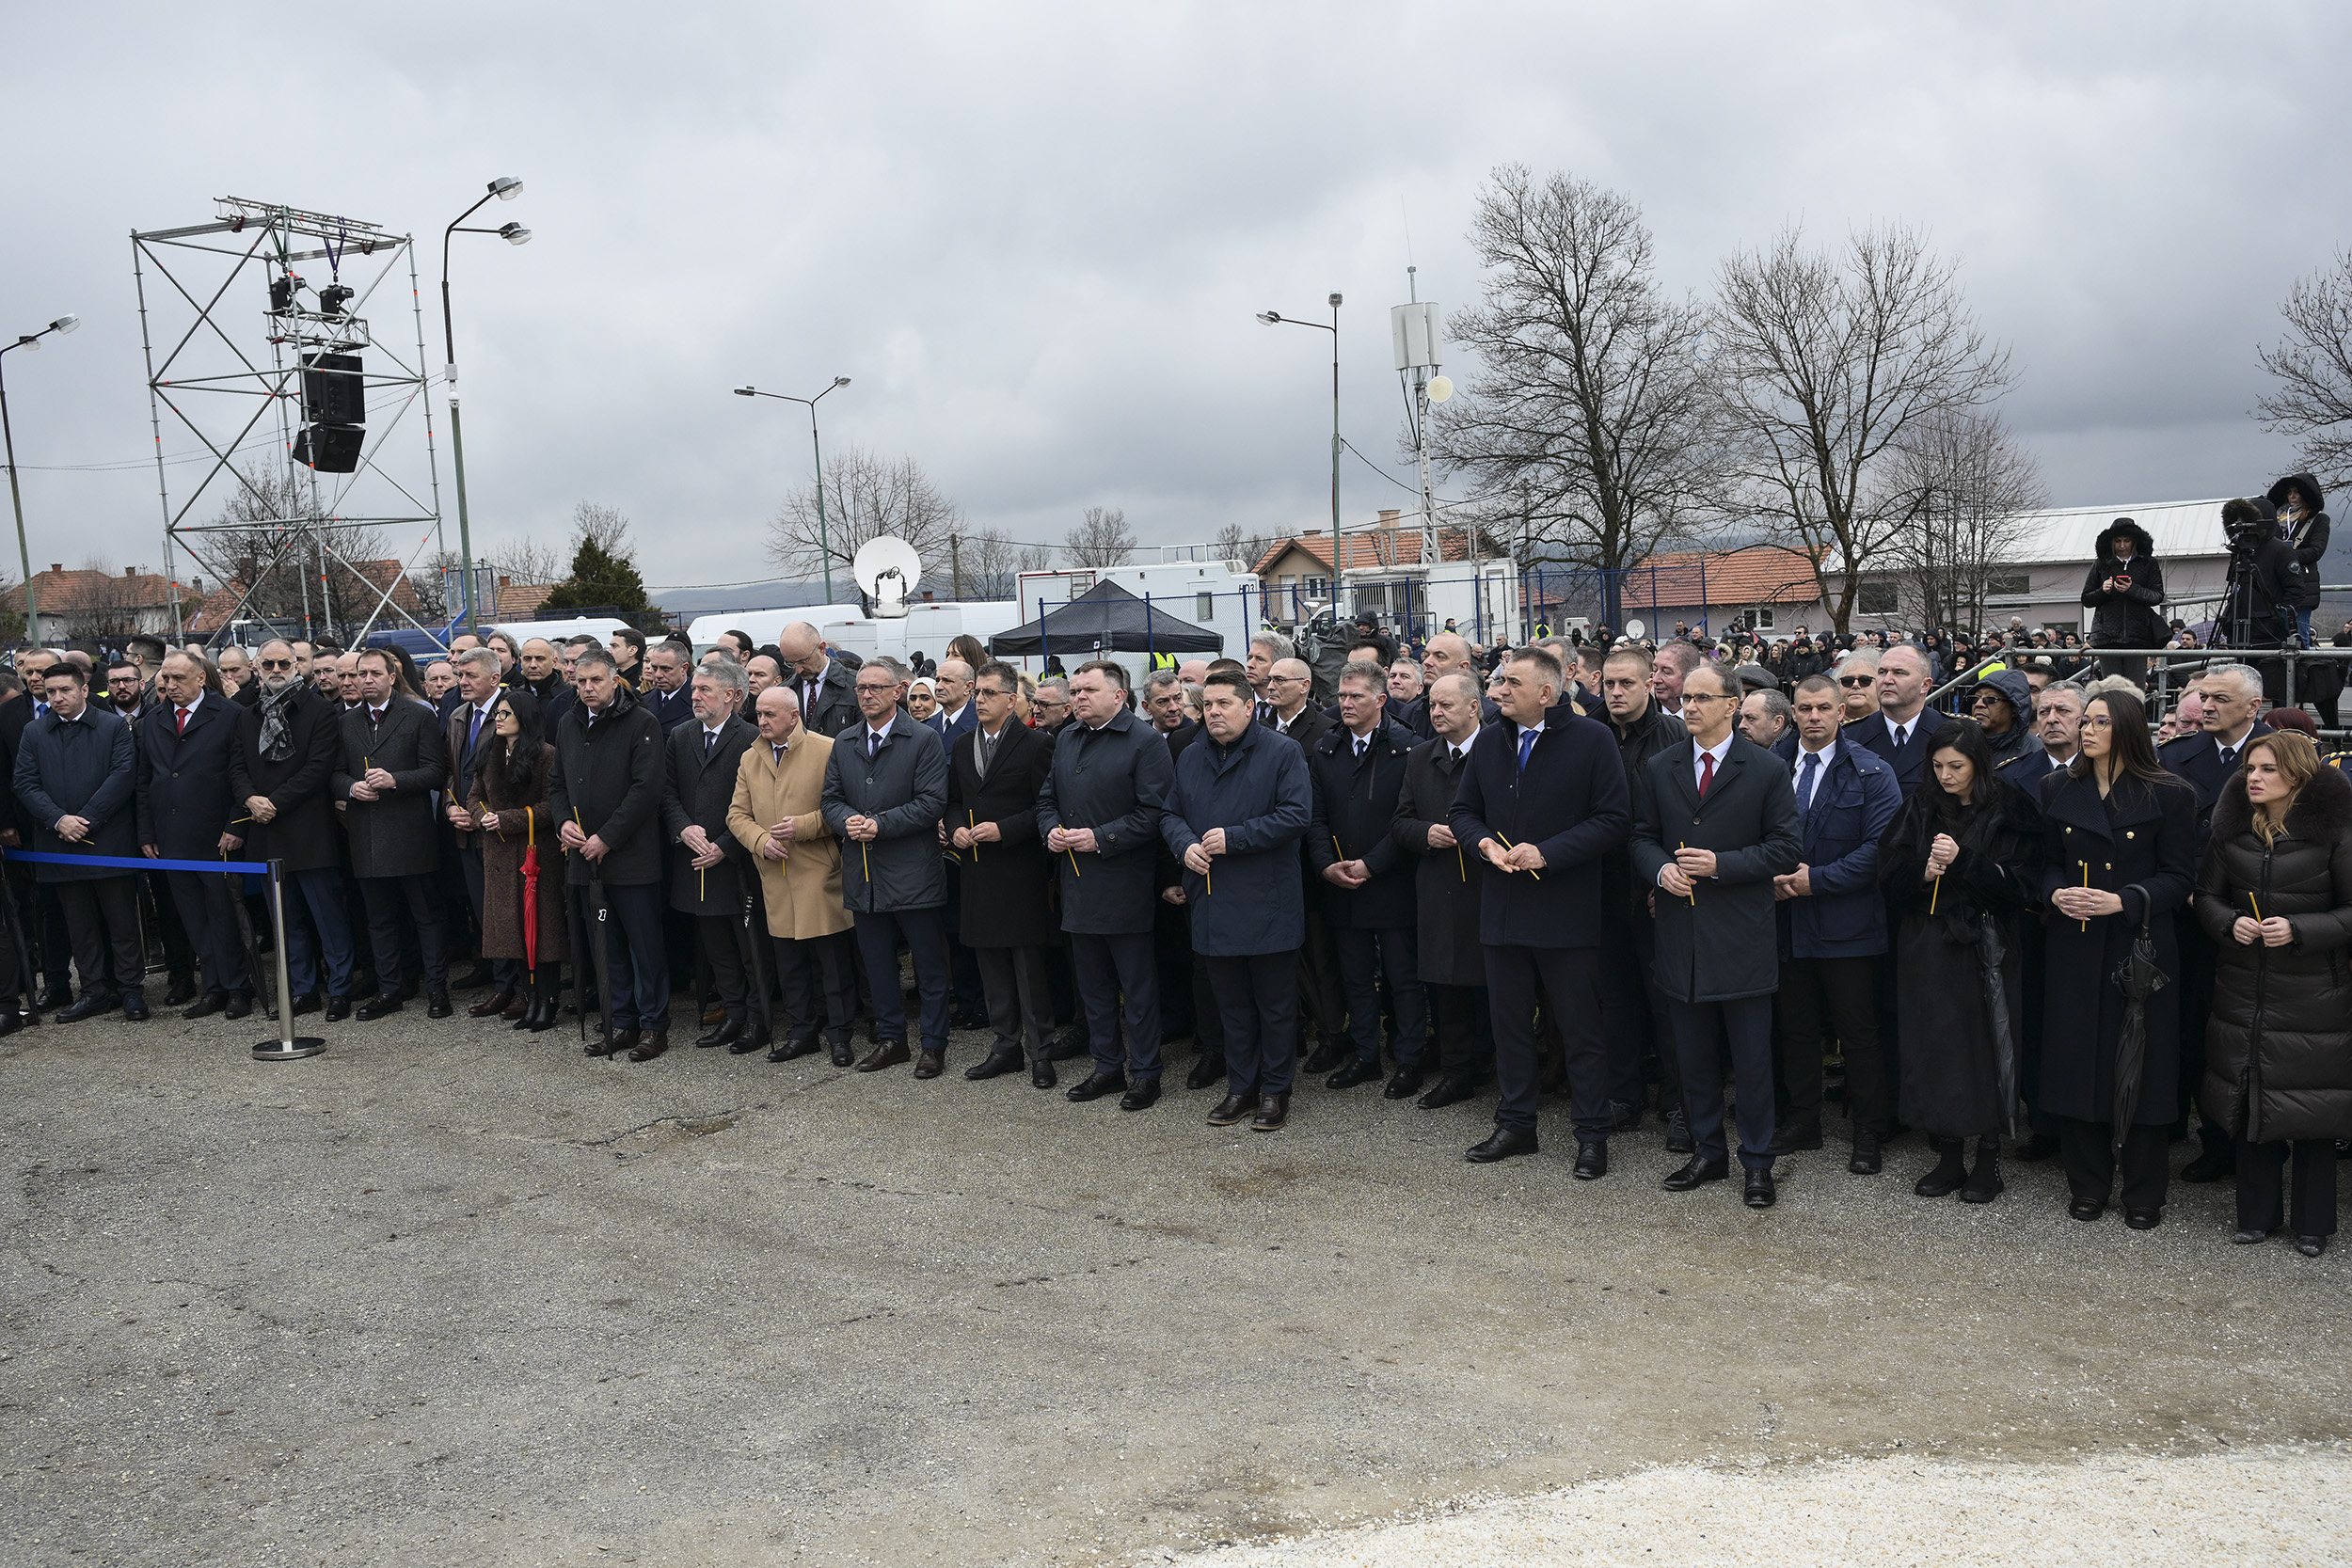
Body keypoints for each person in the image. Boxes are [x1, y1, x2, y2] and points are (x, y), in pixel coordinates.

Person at [1450, 646, 1630, 1170]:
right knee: (1510, 1026)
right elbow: (1463, 811)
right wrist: (1483, 844)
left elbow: (1614, 820)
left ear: (1546, 694)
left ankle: (1592, 1133)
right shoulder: (1490, 740)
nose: (1498, 690)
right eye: (1500, 681)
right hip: (1503, 908)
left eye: (1512, 683)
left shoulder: (1592, 739)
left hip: (1565, 910)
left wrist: (1548, 853)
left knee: (1580, 1028)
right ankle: (1516, 1124)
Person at [1633, 660, 1804, 1206]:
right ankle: (1708, 1152)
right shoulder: (1661, 766)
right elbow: (1641, 836)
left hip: (1740, 937)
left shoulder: (1766, 769)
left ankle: (1758, 1162)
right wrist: (1661, 870)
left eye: (1702, 698)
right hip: (1680, 935)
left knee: (1751, 1061)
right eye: (1686, 698)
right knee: (1693, 1056)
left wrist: (1721, 865)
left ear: (1732, 705)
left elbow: (1786, 848)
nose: (1689, 707)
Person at [2039, 688, 2198, 1228]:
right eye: (2085, 721)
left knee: (2144, 1065)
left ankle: (2144, 1191)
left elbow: (2180, 876)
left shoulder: (2170, 793)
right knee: (2076, 1060)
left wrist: (2125, 900)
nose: (2086, 730)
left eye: (2099, 722)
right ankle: (2087, 1184)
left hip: (2140, 946)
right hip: (2075, 944)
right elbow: (2045, 862)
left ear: (2126, 728)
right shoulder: (2058, 786)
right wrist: (2056, 893)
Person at [2195, 729, 2352, 1256]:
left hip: (2315, 993)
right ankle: (2256, 1216)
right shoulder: (2231, 830)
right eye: (2250, 769)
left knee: (2314, 1109)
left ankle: (2313, 1224)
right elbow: (2206, 896)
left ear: (2298, 774)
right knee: (2249, 1098)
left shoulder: (2336, 832)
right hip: (2243, 986)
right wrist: (2229, 922)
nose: (2254, 778)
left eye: (2267, 769)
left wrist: (2300, 929)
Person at [1877, 720, 2043, 1200]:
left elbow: (2023, 887)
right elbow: (1887, 874)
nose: (1946, 776)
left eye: (1956, 766)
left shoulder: (2012, 807)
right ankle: (1948, 1154)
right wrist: (1923, 873)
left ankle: (1989, 1157)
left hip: (1987, 945)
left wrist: (1965, 861)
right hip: (1928, 944)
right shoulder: (1921, 805)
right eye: (1938, 766)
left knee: (1988, 1044)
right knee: (1935, 1046)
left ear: (1979, 764)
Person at [1162, 668, 1311, 1130]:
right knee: (1231, 1005)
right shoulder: (1191, 755)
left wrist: (1236, 837)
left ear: (1249, 707)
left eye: (1224, 704)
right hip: (1211, 900)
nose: (1213, 713)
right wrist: (1184, 845)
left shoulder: (1282, 751)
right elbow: (1169, 814)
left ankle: (1275, 1090)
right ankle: (1241, 1087)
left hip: (1267, 900)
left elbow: (1296, 815)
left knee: (1274, 1005)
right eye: (1207, 705)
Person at [1771, 673, 1901, 1167]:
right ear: (1792, 714)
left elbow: (1880, 850)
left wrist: (1816, 881)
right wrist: (1767, 876)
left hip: (1848, 926)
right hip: (1786, 923)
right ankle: (1803, 1121)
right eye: (1805, 709)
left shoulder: (1872, 772)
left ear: (1841, 712)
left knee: (1858, 1032)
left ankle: (1869, 1129)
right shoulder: (1771, 765)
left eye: (1824, 708)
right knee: (1796, 1028)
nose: (1814, 717)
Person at [1039, 659, 1173, 1111]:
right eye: (1075, 690)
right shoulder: (1067, 738)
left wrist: (1100, 837)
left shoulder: (1144, 742)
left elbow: (1154, 813)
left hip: (1123, 884)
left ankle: (1146, 1073)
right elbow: (1047, 799)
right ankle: (1107, 1066)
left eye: (1088, 690)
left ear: (1118, 696)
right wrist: (1051, 830)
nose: (1078, 697)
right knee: (1093, 986)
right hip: (1076, 885)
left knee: (1136, 988)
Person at [2160, 663, 2273, 1184]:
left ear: (2253, 707)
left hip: (2252, 914)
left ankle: (2241, 1140)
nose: (2206, 706)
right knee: (2188, 1023)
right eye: (2203, 697)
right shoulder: (2176, 756)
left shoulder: (2281, 756)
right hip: (2187, 913)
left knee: (2240, 1035)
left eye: (2220, 699)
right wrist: (2184, 885)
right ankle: (2191, 1127)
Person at [822, 658, 955, 1076]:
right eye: (861, 688)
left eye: (875, 688)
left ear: (897, 691)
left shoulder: (923, 738)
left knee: (928, 966)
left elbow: (932, 802)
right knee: (877, 964)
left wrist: (880, 824)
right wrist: (846, 820)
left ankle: (933, 1044)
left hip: (913, 872)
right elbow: (829, 799)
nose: (866, 695)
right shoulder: (844, 741)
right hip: (864, 875)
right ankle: (892, 1039)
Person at [1305, 659, 1427, 1097]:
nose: (1346, 703)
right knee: (1355, 975)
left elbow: (1408, 817)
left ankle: (1410, 1060)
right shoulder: (1327, 747)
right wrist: (1326, 864)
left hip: (1391, 882)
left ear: (1380, 700)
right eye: (1341, 695)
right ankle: (1365, 1055)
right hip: (1342, 882)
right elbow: (1315, 816)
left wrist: (1372, 864)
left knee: (1402, 977)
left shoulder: (1409, 748)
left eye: (1356, 696)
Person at [550, 647, 671, 1061]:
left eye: (596, 680)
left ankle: (653, 1026)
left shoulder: (641, 722)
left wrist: (607, 837)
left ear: (615, 680)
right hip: (583, 858)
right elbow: (557, 783)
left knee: (644, 947)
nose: (587, 688)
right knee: (606, 945)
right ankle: (621, 1021)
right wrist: (563, 822)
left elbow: (646, 789)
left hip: (631, 858)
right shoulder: (568, 723)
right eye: (580, 681)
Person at [728, 686, 857, 1065]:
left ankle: (840, 1035)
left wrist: (803, 826)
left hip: (819, 873)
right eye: (759, 714)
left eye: (770, 714)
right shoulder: (750, 757)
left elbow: (844, 808)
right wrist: (760, 841)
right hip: (775, 875)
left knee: (832, 964)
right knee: (790, 964)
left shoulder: (826, 749)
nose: (762, 721)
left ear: (794, 716)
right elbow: (737, 815)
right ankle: (803, 1033)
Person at [947, 660, 1060, 1086]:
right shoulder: (963, 745)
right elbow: (953, 799)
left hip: (1019, 871)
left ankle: (1041, 1051)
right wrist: (955, 828)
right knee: (991, 965)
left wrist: (1005, 829)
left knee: (1028, 969)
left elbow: (1045, 806)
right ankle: (1005, 1046)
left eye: (989, 693)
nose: (980, 699)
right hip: (977, 870)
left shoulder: (1035, 745)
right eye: (977, 692)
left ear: (1012, 700)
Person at [232, 641, 357, 1018]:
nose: (276, 670)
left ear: (296, 666)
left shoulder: (320, 710)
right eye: (268, 663)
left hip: (309, 831)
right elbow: (236, 767)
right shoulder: (248, 715)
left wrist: (275, 802)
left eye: (284, 663)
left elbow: (318, 768)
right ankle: (303, 991)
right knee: (286, 923)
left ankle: (340, 989)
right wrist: (251, 799)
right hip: (265, 831)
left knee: (328, 919)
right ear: (257, 667)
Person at [16, 663, 147, 1021]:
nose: (57, 698)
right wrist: (59, 820)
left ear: (84, 690)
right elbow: (25, 782)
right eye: (51, 692)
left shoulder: (112, 726)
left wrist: (86, 819)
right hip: (60, 844)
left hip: (109, 843)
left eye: (65, 690)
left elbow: (123, 775)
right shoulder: (34, 732)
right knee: (80, 927)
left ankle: (131, 991)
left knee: (122, 923)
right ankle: (93, 991)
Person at [1596, 645, 1689, 1145]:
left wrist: (1664, 876)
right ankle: (1623, 1097)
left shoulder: (1675, 735)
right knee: (1616, 1001)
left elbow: (1688, 813)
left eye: (1626, 683)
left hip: (1659, 889)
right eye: (1608, 683)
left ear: (1649, 683)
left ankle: (1679, 1103)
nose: (1615, 692)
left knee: (1668, 1003)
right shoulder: (1589, 733)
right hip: (1604, 889)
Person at [1391, 671, 1494, 1109]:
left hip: (1489, 885)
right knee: (1446, 986)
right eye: (1432, 704)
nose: (1436, 712)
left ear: (1474, 707)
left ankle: (1501, 1068)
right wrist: (1425, 834)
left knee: (1496, 986)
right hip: (1438, 885)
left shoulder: (1499, 751)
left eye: (1446, 705)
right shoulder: (1421, 756)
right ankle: (1456, 1073)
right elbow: (1400, 822)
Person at [335, 649, 453, 1020]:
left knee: (426, 916)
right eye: (361, 674)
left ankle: (437, 988)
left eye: (374, 673)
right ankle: (390, 989)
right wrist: (352, 788)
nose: (366, 680)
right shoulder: (346, 722)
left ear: (391, 677)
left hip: (411, 834)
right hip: (367, 835)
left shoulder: (418, 715)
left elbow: (435, 771)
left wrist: (395, 780)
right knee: (379, 919)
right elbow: (334, 774)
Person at [135, 651, 252, 1020]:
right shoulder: (152, 721)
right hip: (171, 836)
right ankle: (214, 987)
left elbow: (243, 774)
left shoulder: (231, 715)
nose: (170, 686)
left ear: (201, 678)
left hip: (216, 835)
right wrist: (147, 831)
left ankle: (239, 987)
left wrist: (236, 824)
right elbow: (144, 782)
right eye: (166, 679)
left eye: (179, 679)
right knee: (194, 918)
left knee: (224, 915)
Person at [660, 657, 758, 1050]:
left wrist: (726, 845)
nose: (695, 696)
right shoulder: (681, 735)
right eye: (694, 689)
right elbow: (667, 792)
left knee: (749, 947)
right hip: (696, 860)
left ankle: (757, 1018)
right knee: (716, 947)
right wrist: (683, 828)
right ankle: (734, 1013)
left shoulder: (751, 737)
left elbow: (760, 804)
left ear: (731, 695)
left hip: (737, 863)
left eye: (705, 690)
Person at [468, 690, 567, 1031]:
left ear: (523, 718)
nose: (498, 719)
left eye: (505, 713)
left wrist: (506, 819)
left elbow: (551, 806)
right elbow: (474, 795)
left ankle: (547, 1002)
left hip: (535, 856)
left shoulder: (546, 755)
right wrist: (482, 816)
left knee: (541, 933)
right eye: (497, 713)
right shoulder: (489, 751)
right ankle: (529, 999)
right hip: (498, 854)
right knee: (515, 936)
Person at [441, 649, 517, 1016]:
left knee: (506, 913)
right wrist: (450, 807)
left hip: (500, 831)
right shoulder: (458, 716)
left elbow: (519, 777)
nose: (462, 682)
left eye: (470, 675)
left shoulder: (512, 713)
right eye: (460, 675)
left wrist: (481, 814)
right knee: (484, 911)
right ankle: (501, 982)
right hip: (466, 830)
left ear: (494, 678)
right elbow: (449, 772)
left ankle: (518, 988)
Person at [2081, 518, 2167, 683]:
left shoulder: (2148, 563)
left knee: (2135, 688)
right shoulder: (2101, 564)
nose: (2122, 546)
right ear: (2111, 542)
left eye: (2126, 540)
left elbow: (2157, 595)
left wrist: (2132, 589)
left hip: (2138, 635)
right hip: (2107, 637)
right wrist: (2103, 591)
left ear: (2134, 541)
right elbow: (2086, 598)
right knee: (2112, 687)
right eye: (2117, 541)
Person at [2268, 475, 2329, 645]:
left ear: (2306, 494)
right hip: (2278, 583)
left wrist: (2288, 556)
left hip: (2303, 583)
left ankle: (2303, 663)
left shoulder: (2319, 519)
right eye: (2289, 492)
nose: (2292, 496)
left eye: (2297, 492)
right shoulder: (2276, 519)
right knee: (2277, 638)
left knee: (2301, 637)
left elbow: (2316, 550)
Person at [776, 622, 860, 738]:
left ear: (822, 648)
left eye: (803, 661)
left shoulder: (856, 686)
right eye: (791, 664)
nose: (798, 670)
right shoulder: (783, 691)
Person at [1967, 670, 2043, 771]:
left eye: (1991, 699)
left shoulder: (2037, 752)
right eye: (1975, 699)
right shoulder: (1959, 743)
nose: (1979, 704)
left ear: (2014, 709)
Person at [639, 641, 695, 734]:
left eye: (666, 669)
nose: (658, 675)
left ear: (684, 668)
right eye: (654, 668)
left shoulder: (697, 700)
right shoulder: (644, 701)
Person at [1740, 687, 1796, 757]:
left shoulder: (1797, 756)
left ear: (1777, 723)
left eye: (1751, 719)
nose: (1741, 725)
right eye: (1741, 718)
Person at [1833, 650, 1882, 725]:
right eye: (1847, 681)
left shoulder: (1894, 727)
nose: (1855, 685)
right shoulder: (1825, 727)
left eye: (1865, 680)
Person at [1386, 658, 1429, 738]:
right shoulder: (1378, 711)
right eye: (1392, 676)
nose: (1396, 681)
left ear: (1419, 688)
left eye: (1404, 677)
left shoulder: (1428, 718)